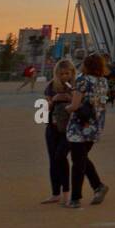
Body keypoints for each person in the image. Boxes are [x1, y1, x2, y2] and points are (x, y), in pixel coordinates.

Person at [63, 53, 109, 209]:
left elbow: (75, 105)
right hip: (95, 125)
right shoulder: (103, 81)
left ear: (86, 65)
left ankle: (75, 198)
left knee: (78, 162)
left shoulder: (82, 80)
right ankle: (98, 186)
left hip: (79, 126)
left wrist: (66, 108)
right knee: (81, 158)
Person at [42, 60, 76, 203]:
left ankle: (66, 192)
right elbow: (45, 109)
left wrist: (70, 98)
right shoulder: (51, 86)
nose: (64, 77)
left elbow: (80, 105)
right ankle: (55, 192)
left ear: (72, 73)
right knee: (53, 161)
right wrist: (54, 100)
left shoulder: (75, 86)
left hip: (69, 128)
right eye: (61, 74)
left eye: (67, 73)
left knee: (60, 157)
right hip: (53, 127)